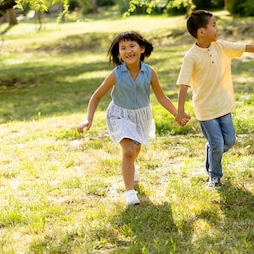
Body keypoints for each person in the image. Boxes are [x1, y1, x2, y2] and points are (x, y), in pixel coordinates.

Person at [77, 31, 187, 206]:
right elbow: (96, 96)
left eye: (132, 46)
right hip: (119, 115)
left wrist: (177, 114)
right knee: (128, 150)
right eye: (123, 48)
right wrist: (88, 119)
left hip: (141, 116)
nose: (128, 50)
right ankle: (129, 192)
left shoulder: (150, 73)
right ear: (119, 53)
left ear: (141, 48)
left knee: (134, 150)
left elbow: (162, 97)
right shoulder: (116, 74)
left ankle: (132, 166)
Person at [176, 10, 254, 189]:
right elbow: (184, 85)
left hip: (224, 105)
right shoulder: (191, 57)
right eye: (214, 25)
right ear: (201, 32)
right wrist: (180, 111)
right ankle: (215, 177)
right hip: (205, 109)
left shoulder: (221, 46)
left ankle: (212, 152)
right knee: (217, 144)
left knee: (229, 141)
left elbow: (245, 46)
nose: (217, 29)